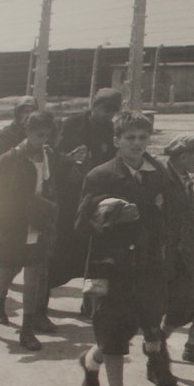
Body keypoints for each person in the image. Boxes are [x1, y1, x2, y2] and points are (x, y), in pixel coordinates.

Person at [75, 112, 175, 386]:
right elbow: (81, 222)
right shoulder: (100, 175)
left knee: (132, 328)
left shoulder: (158, 173)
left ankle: (91, 362)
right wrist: (109, 211)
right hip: (111, 266)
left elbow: (171, 214)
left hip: (147, 267)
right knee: (114, 330)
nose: (136, 144)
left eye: (142, 138)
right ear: (117, 141)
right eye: (129, 138)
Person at [0, 111, 62, 351]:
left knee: (33, 278)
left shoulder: (50, 156)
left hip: (39, 223)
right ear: (27, 132)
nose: (42, 139)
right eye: (37, 134)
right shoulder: (10, 158)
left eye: (46, 135)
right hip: (14, 224)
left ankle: (26, 330)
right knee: (7, 274)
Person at [50, 87, 124, 293]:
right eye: (105, 108)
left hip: (94, 197)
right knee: (61, 247)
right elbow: (54, 155)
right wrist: (69, 163)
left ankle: (90, 300)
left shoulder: (111, 130)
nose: (108, 114)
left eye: (113, 110)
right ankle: (40, 298)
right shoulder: (71, 124)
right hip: (68, 196)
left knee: (93, 251)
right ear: (94, 105)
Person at [0, 95, 39, 325]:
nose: (27, 114)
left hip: (34, 209)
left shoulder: (40, 136)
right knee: (8, 263)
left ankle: (34, 316)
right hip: (11, 205)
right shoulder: (8, 135)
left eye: (31, 110)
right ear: (17, 113)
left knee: (34, 266)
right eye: (23, 110)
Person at [161, 132, 194, 364]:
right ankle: (158, 342)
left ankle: (191, 346)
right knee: (180, 303)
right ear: (183, 156)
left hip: (192, 249)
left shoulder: (184, 178)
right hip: (174, 252)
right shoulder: (163, 179)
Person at [0, 95, 38, 167]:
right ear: (18, 114)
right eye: (25, 112)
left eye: (32, 112)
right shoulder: (6, 134)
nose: (28, 115)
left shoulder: (40, 133)